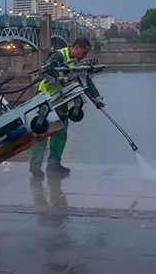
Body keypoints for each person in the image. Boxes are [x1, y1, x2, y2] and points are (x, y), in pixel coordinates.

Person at [29, 37, 104, 178]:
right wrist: (63, 76)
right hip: (46, 98)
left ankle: (54, 165)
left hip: (61, 100)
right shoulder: (58, 56)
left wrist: (96, 98)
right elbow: (47, 70)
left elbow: (84, 80)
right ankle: (35, 166)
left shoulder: (77, 62)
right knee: (42, 132)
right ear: (76, 48)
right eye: (84, 52)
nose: (85, 56)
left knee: (60, 132)